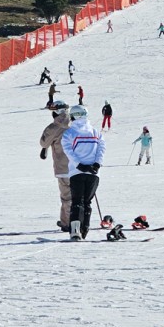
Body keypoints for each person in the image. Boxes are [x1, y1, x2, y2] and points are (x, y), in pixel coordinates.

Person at [61, 105, 105, 240]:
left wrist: (79, 165)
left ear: (73, 116)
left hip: (77, 173)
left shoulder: (69, 133)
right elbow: (101, 149)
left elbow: (69, 152)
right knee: (87, 202)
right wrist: (97, 164)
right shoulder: (96, 132)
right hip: (93, 173)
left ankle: (75, 230)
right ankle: (85, 229)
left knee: (77, 202)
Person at [40, 100, 72, 231]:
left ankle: (68, 223)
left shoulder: (54, 127)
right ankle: (79, 220)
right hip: (80, 166)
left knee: (67, 197)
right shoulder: (75, 123)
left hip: (63, 167)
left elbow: (43, 142)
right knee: (79, 195)